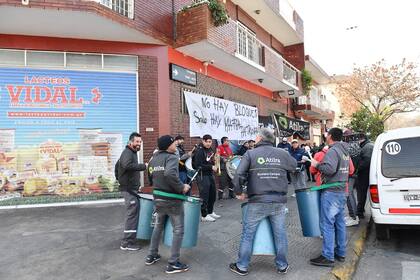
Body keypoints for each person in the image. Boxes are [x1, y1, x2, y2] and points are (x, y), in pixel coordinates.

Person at [229, 128, 297, 276]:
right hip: (278, 201)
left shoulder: (251, 154)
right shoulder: (283, 154)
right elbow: (294, 166)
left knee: (248, 234)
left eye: (255, 138)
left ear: (259, 138)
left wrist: (239, 192)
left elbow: (238, 174)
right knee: (280, 234)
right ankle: (282, 265)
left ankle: (242, 266)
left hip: (257, 201)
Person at [146, 135, 191, 274]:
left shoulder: (153, 158)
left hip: (158, 197)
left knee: (158, 226)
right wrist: (181, 187)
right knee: (178, 230)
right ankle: (173, 263)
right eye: (173, 143)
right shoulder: (171, 157)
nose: (175, 145)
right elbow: (170, 173)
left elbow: (150, 177)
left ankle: (151, 255)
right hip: (172, 199)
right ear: (167, 146)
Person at [309, 127, 350, 267]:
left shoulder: (333, 150)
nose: (325, 136)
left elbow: (329, 169)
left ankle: (328, 256)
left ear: (330, 136)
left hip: (332, 192)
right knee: (340, 224)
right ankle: (341, 252)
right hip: (341, 191)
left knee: (327, 224)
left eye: (327, 135)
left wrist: (317, 165)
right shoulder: (345, 150)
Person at [116, 132, 147, 251]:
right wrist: (143, 166)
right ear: (131, 142)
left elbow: (117, 167)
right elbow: (126, 165)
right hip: (129, 190)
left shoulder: (131, 153)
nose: (139, 143)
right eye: (137, 141)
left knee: (133, 214)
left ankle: (130, 239)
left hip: (131, 189)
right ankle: (126, 243)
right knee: (132, 215)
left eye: (140, 142)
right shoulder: (128, 152)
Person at [192, 134, 220, 222]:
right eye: (207, 141)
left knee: (212, 194)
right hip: (202, 175)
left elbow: (210, 160)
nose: (208, 143)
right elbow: (198, 165)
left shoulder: (210, 149)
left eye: (210, 142)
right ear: (203, 141)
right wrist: (211, 167)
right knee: (205, 195)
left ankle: (210, 211)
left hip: (209, 174)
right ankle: (204, 215)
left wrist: (215, 161)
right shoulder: (199, 151)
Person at [356, 133, 374, 219]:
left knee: (361, 194)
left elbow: (366, 161)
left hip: (365, 174)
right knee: (362, 194)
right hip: (368, 173)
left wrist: (356, 169)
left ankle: (360, 212)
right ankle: (361, 210)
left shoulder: (367, 147)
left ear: (361, 139)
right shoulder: (368, 145)